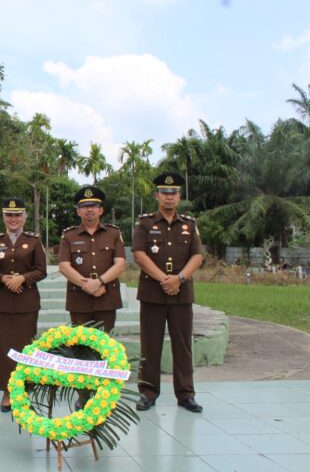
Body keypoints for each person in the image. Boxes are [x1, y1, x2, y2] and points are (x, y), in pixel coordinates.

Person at [132, 173, 204, 413]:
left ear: (179, 196)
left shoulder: (189, 224)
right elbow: (139, 254)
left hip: (182, 294)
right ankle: (148, 392)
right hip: (153, 293)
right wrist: (164, 279)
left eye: (173, 193)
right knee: (150, 345)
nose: (169, 197)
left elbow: (198, 256)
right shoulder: (144, 223)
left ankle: (185, 394)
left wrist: (179, 278)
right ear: (157, 196)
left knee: (183, 345)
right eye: (165, 192)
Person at [58, 186, 126, 410]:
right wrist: (86, 285)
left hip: (106, 297)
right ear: (78, 211)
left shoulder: (113, 233)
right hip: (80, 299)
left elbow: (121, 263)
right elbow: (64, 265)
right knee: (81, 347)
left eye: (94, 206)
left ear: (101, 210)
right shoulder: (69, 235)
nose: (89, 210)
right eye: (84, 206)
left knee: (104, 346)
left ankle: (103, 392)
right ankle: (83, 394)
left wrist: (100, 282)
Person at [0, 198, 47, 412]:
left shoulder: (34, 241)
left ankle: (24, 391)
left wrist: (23, 279)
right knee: (3, 350)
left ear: (24, 217)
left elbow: (41, 270)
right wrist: (4, 279)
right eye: (9, 215)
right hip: (0, 303)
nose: (13, 219)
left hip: (26, 303)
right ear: (4, 218)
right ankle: (7, 391)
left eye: (17, 215)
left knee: (25, 348)